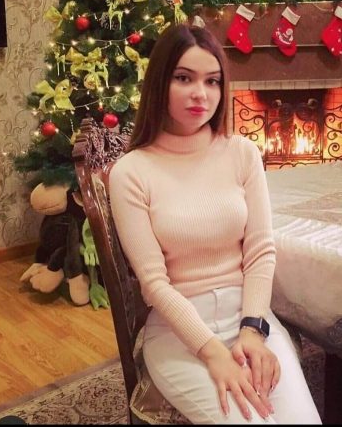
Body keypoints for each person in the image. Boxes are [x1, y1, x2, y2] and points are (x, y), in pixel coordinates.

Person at [109, 23, 321, 424]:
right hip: (180, 334)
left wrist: (253, 330)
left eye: (212, 81)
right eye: (183, 78)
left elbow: (260, 252)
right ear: (159, 82)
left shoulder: (242, 153)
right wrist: (212, 353)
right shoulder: (131, 172)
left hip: (248, 318)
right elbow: (154, 284)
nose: (200, 94)